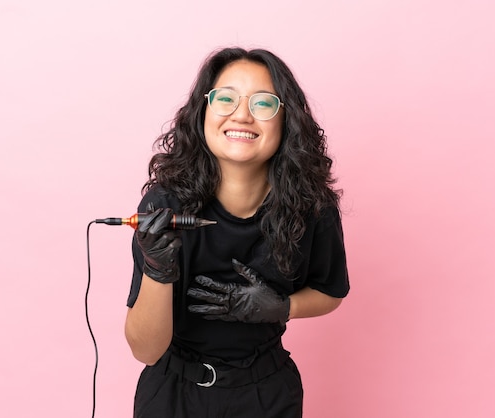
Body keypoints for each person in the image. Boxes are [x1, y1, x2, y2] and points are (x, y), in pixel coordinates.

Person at [125, 47, 350, 418]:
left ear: (285, 120)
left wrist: (282, 307)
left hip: (267, 394)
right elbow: (146, 351)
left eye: (263, 103)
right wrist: (157, 269)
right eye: (225, 98)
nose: (242, 114)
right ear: (203, 113)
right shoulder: (165, 207)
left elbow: (330, 292)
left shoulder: (312, 206)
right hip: (173, 395)